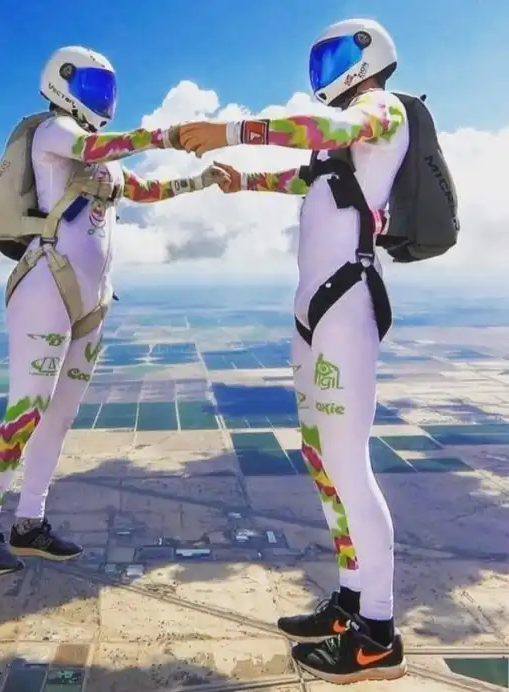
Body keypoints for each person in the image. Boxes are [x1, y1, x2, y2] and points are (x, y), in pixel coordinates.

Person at [179, 18, 408, 686]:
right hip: (316, 313)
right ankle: (351, 601)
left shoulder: (382, 110)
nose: (327, 73)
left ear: (367, 57)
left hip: (345, 308)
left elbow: (321, 130)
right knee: (322, 460)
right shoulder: (344, 145)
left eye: (336, 57)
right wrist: (242, 181)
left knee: (349, 467)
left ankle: (378, 634)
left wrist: (230, 131)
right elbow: (307, 177)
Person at [0, 46, 228, 576]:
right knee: (25, 412)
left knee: (59, 416)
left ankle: (29, 523)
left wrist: (199, 182)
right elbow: (96, 145)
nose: (100, 100)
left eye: (105, 89)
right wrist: (167, 136)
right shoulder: (55, 133)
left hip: (91, 300)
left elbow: (143, 188)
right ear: (60, 84)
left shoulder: (98, 157)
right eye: (89, 87)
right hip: (46, 287)